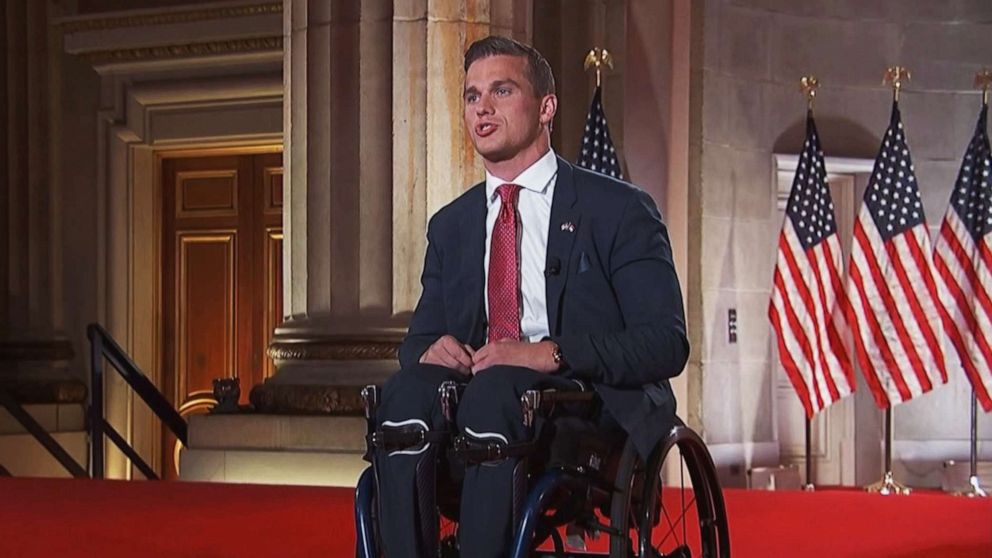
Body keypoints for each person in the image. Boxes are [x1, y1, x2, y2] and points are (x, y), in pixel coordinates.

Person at [372, 35, 688, 558]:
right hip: (471, 407)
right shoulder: (450, 226)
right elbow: (418, 342)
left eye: (501, 90)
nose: (483, 108)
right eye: (473, 96)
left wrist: (552, 352)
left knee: (497, 392)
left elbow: (665, 344)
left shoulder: (619, 210)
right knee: (404, 394)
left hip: (579, 407)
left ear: (546, 107)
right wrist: (431, 351)